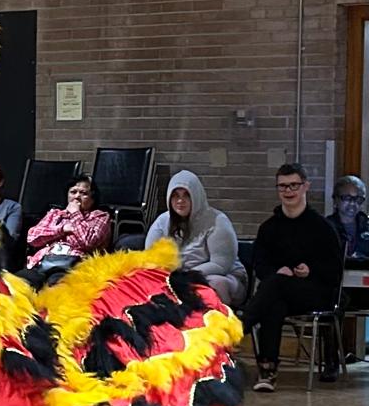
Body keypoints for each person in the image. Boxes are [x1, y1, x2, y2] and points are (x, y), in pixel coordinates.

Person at [245, 163, 344, 391]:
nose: (288, 191)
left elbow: (334, 271)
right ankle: (267, 371)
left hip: (317, 292)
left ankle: (240, 328)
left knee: (274, 288)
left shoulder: (323, 227)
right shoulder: (268, 228)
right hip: (281, 291)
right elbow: (260, 264)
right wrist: (275, 272)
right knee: (274, 302)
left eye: (294, 185)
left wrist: (311, 270)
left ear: (305, 186)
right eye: (282, 187)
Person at [144, 170, 248, 307]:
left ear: (196, 196)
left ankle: (220, 325)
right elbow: (151, 258)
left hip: (218, 276)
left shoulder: (217, 221)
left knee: (217, 284)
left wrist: (186, 276)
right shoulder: (162, 222)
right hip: (175, 277)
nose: (180, 201)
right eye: (175, 195)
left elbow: (221, 265)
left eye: (186, 195)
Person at [17, 175, 111, 287]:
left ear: (92, 198)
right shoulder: (54, 214)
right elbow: (32, 238)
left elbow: (88, 242)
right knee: (18, 283)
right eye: (73, 192)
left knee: (57, 287)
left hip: (73, 268)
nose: (77, 196)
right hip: (42, 263)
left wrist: (75, 214)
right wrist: (62, 230)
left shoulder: (100, 217)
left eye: (83, 193)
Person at [327, 175, 369, 261]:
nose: (352, 203)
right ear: (335, 200)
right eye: (347, 198)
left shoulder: (367, 226)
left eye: (358, 199)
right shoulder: (325, 227)